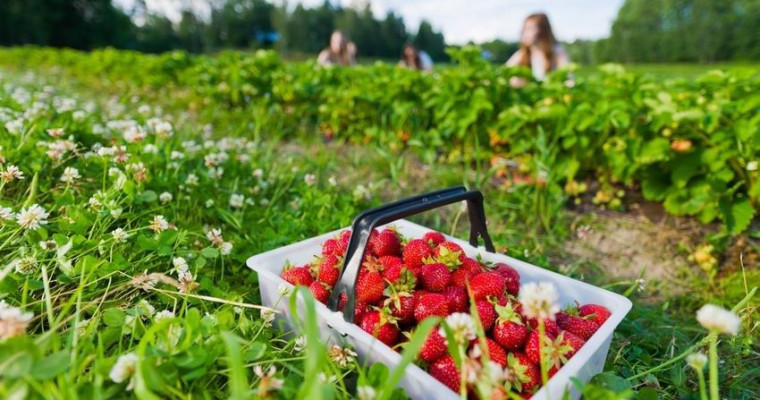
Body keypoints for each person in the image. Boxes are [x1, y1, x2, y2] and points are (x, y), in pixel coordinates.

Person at [506, 13, 570, 85]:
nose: (524, 33)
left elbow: (568, 78)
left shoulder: (557, 52)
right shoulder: (522, 54)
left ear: (542, 31)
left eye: (530, 29)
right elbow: (504, 72)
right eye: (524, 29)